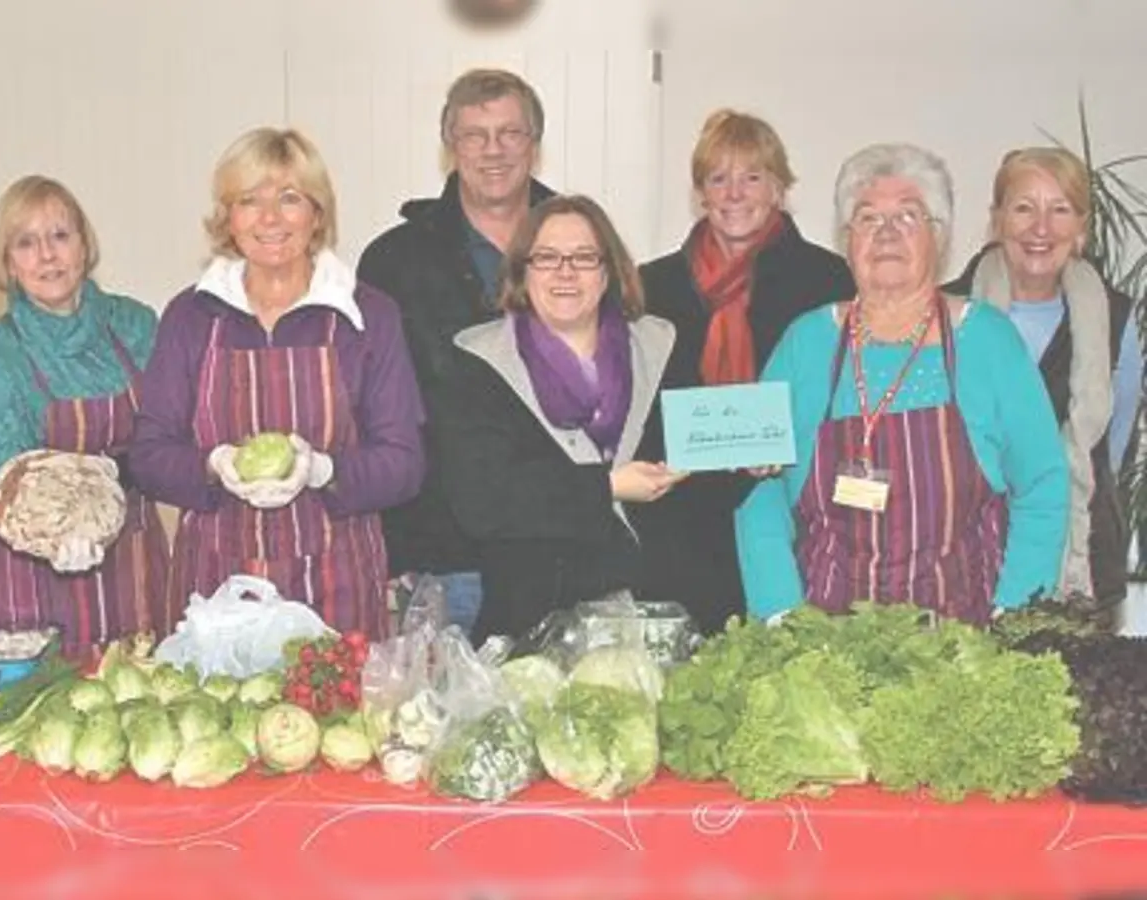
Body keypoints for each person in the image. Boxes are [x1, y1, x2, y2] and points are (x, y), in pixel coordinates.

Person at [736, 143, 1069, 625]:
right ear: (846, 239)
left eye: (908, 217)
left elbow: (1042, 483)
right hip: (823, 646)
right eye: (868, 219)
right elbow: (757, 491)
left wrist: (1015, 612)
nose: (887, 233)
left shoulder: (988, 341)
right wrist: (780, 616)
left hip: (965, 640)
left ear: (940, 235)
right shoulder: (804, 344)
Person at [131, 127, 425, 641]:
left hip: (339, 590)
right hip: (216, 590)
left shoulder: (368, 316)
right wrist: (214, 465)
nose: (270, 219)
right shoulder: (191, 316)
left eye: (289, 198)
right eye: (249, 201)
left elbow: (404, 463)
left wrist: (322, 469)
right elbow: (149, 454)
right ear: (228, 218)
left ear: (317, 214)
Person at [633, 110, 854, 636]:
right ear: (700, 193)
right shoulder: (650, 286)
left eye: (752, 176)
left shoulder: (827, 280)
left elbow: (845, 395)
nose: (734, 193)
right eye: (718, 178)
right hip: (677, 518)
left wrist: (784, 444)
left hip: (789, 510)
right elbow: (635, 403)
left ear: (778, 188)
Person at [357, 68, 554, 636]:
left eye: (510, 133)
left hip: (561, 545)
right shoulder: (394, 261)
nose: (493, 151)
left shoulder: (578, 241)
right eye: (475, 135)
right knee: (440, 717)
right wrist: (393, 548)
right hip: (445, 553)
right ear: (451, 147)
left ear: (534, 144)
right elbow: (377, 412)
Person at [438, 195, 679, 641]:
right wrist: (606, 486)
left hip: (649, 621)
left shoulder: (660, 346)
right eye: (546, 257)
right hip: (527, 628)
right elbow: (482, 501)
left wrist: (749, 461)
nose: (565, 272)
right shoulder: (475, 362)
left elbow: (694, 462)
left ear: (608, 272)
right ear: (521, 272)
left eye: (584, 257)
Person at [0, 176, 168, 654]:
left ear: (84, 244)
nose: (47, 255)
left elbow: (172, 435)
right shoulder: (1, 357)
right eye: (26, 243)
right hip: (39, 566)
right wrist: (56, 538)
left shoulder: (137, 326)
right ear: (9, 264)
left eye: (60, 235)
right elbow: (0, 484)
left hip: (135, 559)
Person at [942, 147, 1136, 608]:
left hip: (1082, 569)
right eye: (1024, 207)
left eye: (1060, 210)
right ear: (997, 220)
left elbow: (1114, 447)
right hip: (958, 563)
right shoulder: (943, 314)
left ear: (1082, 228)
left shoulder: (1117, 319)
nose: (1041, 228)